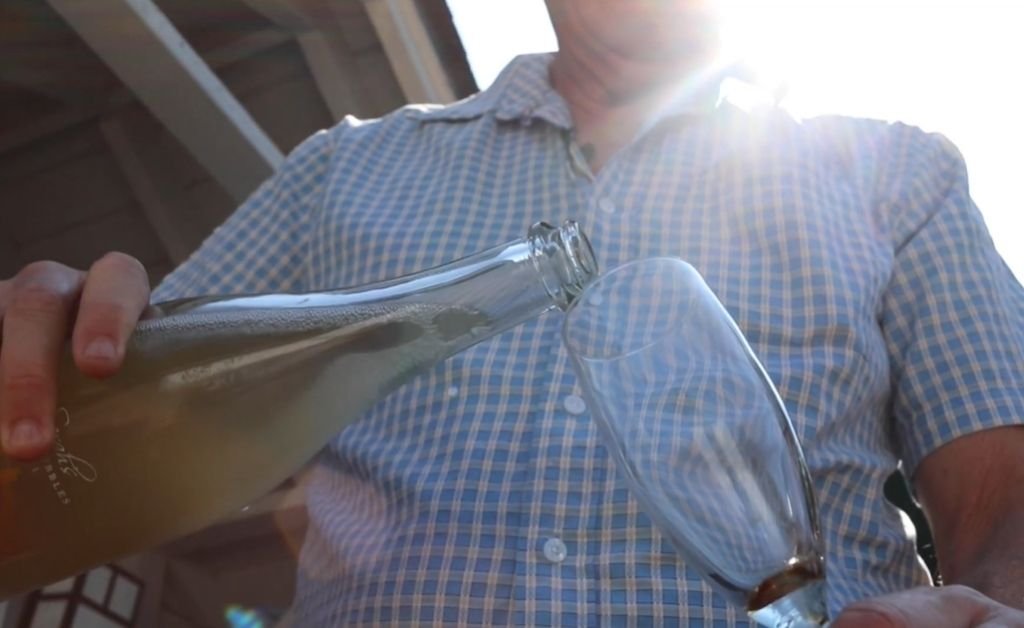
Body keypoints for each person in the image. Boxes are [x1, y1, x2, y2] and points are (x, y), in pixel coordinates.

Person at [2, 1, 1023, 625]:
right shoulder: (341, 166)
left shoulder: (896, 172)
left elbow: (1003, 501)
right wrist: (53, 350)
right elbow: (121, 395)